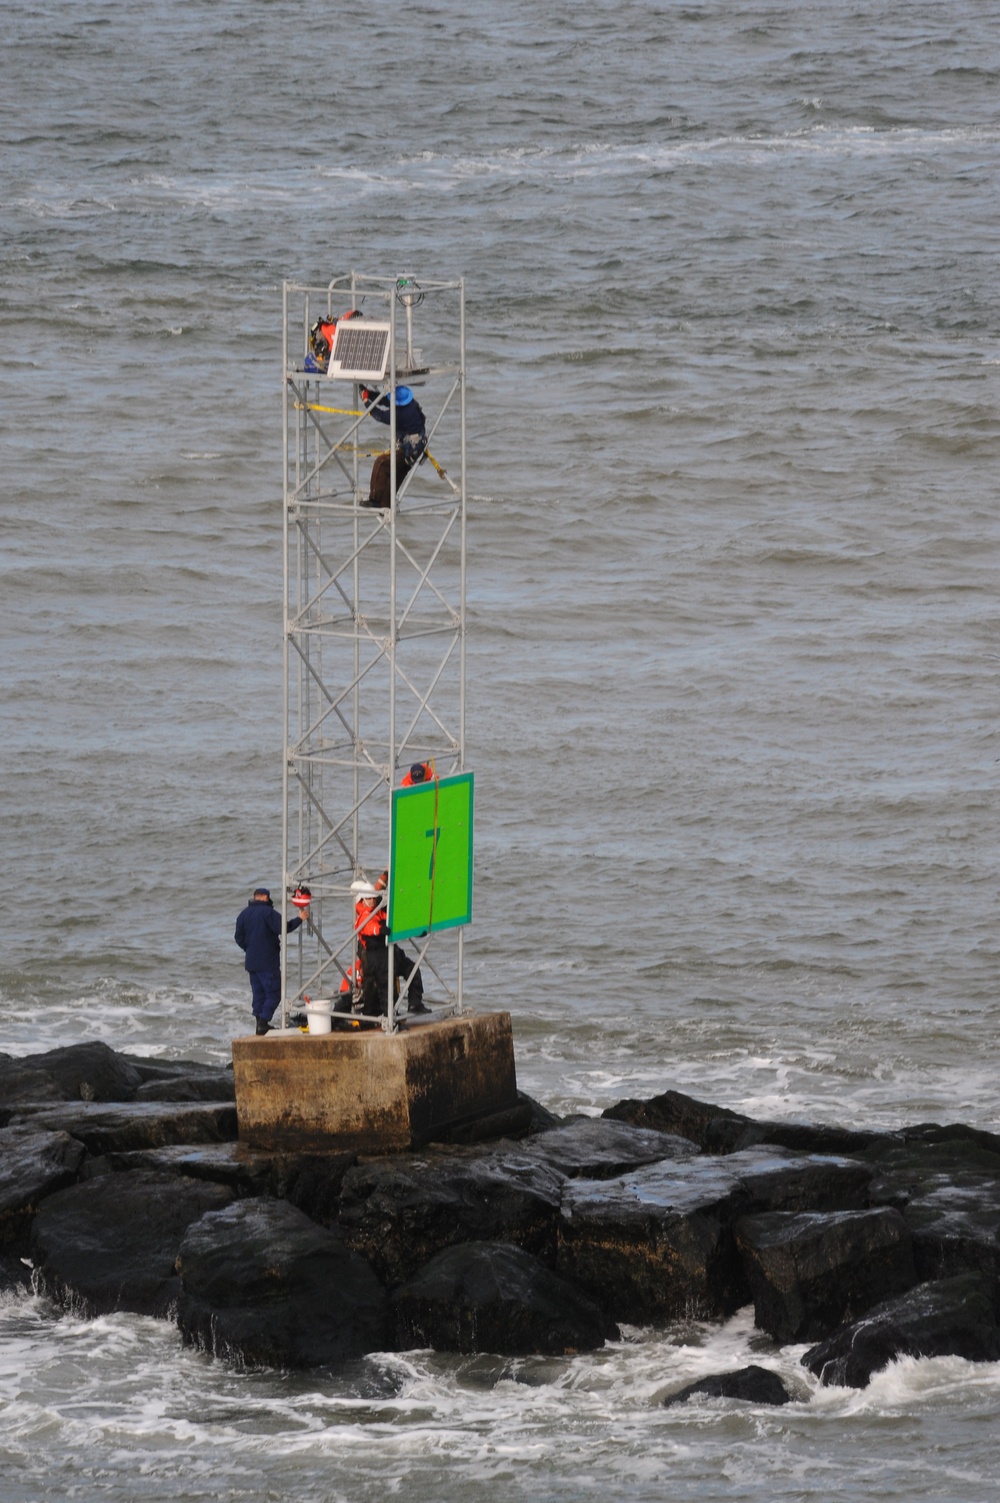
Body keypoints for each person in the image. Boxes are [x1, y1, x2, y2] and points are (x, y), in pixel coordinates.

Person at [234, 887, 308, 1035]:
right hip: (267, 961)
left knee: (258, 994)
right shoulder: (268, 912)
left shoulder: (243, 914)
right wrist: (300, 918)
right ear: (266, 898)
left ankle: (259, 1026)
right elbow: (283, 927)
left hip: (251, 962)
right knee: (274, 992)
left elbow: (238, 938)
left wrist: (249, 949)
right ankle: (263, 1022)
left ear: (254, 897)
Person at [351, 880, 428, 1016]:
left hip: (391, 952)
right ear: (362, 899)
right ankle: (390, 1017)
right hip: (377, 958)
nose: (371, 901)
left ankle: (415, 1004)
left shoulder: (379, 911)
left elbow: (395, 921)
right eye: (368, 899)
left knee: (412, 970)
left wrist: (416, 929)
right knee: (386, 988)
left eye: (373, 898)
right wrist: (380, 930)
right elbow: (369, 927)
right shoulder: (364, 916)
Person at [359, 385, 427, 509]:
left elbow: (378, 414)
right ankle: (385, 504)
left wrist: (365, 401)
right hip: (416, 448)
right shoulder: (412, 404)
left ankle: (375, 500)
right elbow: (385, 401)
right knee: (396, 473)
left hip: (408, 450)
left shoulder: (400, 414)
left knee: (381, 463)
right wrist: (369, 394)